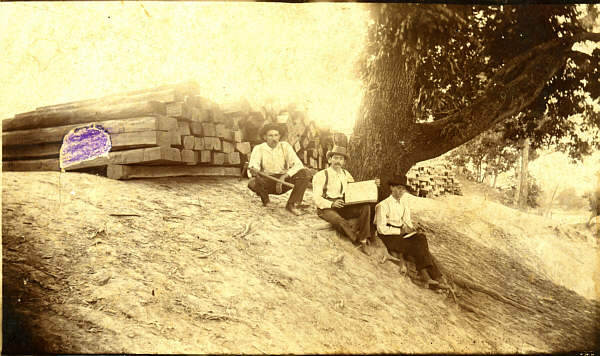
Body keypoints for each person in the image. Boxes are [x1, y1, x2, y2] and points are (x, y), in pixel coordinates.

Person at [374, 176, 446, 289]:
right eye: (398, 188)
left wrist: (412, 229)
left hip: (401, 234)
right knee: (416, 246)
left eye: (403, 189)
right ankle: (426, 276)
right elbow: (381, 229)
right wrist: (400, 231)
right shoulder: (383, 205)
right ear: (391, 188)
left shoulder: (404, 205)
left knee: (420, 238)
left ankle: (436, 278)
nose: (400, 191)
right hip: (388, 235)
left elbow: (407, 223)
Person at [312, 146, 377, 248]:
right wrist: (332, 203)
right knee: (339, 221)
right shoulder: (321, 175)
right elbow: (316, 198)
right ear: (330, 159)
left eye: (341, 159)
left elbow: (355, 189)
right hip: (326, 207)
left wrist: (373, 185)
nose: (338, 161)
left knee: (366, 208)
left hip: (343, 205)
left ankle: (363, 238)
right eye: (336, 158)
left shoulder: (346, 174)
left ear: (344, 162)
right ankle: (356, 241)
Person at [247, 123, 310, 216]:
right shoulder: (259, 148)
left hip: (284, 180)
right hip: (268, 181)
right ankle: (266, 202)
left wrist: (285, 176)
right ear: (265, 137)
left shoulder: (285, 146)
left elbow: (298, 164)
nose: (274, 138)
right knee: (252, 182)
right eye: (270, 135)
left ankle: (291, 204)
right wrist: (254, 170)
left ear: (279, 136)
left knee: (305, 174)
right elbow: (253, 165)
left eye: (276, 135)